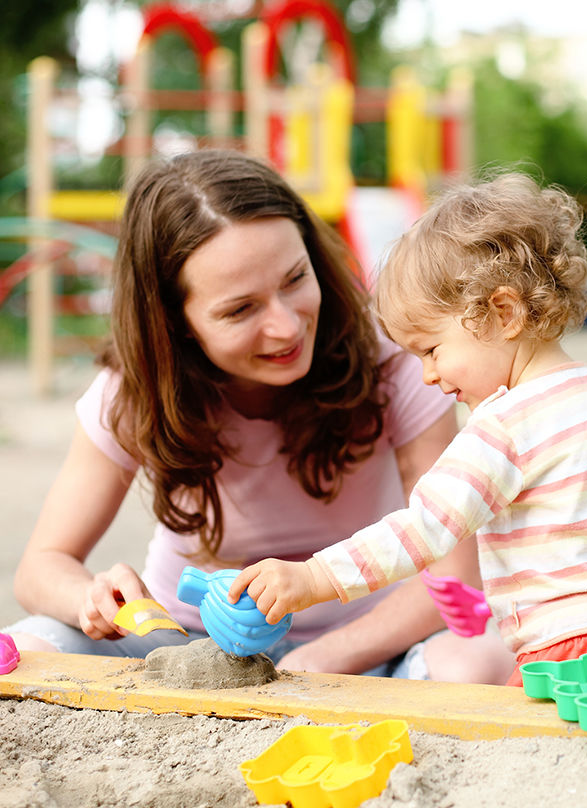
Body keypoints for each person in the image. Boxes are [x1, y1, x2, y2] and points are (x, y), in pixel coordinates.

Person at [5, 148, 515, 684]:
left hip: (367, 641)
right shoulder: (132, 393)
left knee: (476, 659)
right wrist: (90, 598)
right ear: (175, 322)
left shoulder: (396, 359)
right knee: (31, 645)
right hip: (183, 641)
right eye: (240, 309)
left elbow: (455, 578)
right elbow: (42, 565)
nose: (287, 327)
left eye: (295, 279)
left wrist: (322, 659)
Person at [226, 172, 587, 686]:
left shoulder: (503, 424)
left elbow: (423, 529)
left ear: (504, 313)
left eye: (431, 350)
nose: (427, 374)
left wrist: (314, 576)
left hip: (568, 653)